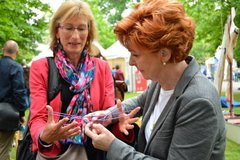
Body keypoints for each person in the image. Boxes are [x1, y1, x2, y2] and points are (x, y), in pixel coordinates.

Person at [85, 0, 226, 160]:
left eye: (136, 54)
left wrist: (113, 146)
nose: (131, 62)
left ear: (164, 54)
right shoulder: (162, 82)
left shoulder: (198, 102)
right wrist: (109, 115)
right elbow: (141, 101)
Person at [28, 0, 115, 159]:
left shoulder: (102, 68)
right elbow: (38, 118)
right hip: (55, 153)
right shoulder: (41, 68)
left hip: (94, 152)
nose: (75, 36)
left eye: (81, 28)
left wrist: (117, 122)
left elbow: (108, 114)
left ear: (88, 32)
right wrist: (44, 137)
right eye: (68, 28)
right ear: (57, 31)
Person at [0, 40, 27, 160]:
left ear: (2, 50)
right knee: (4, 150)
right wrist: (21, 113)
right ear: (17, 52)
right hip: (7, 115)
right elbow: (19, 92)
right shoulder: (16, 68)